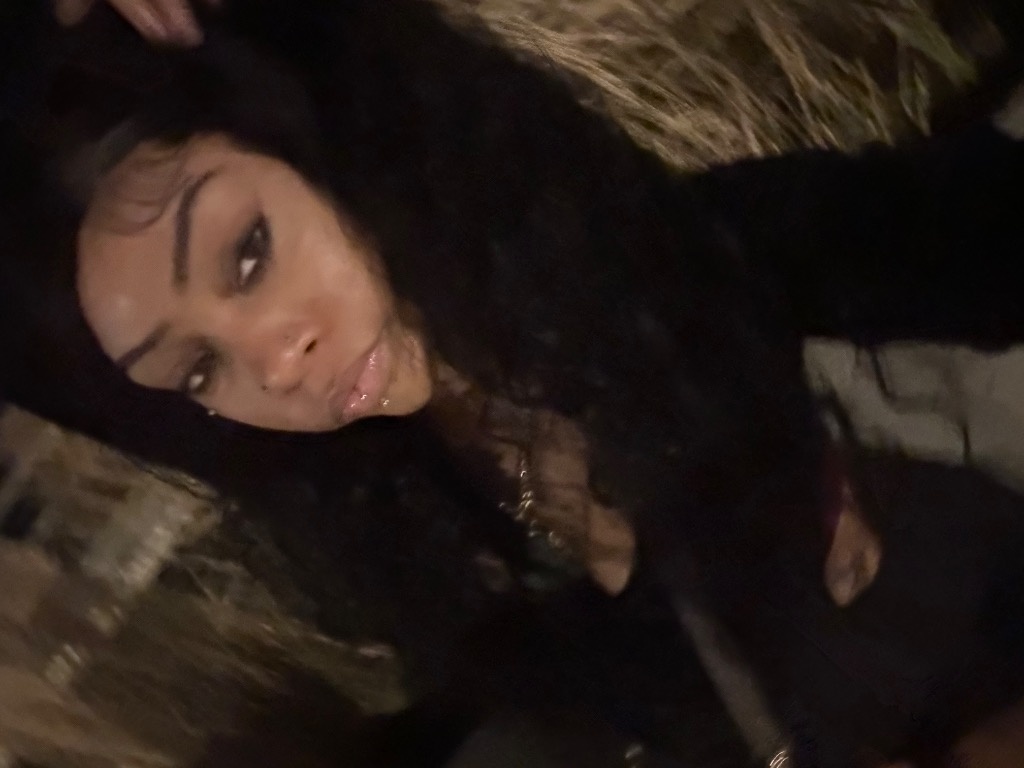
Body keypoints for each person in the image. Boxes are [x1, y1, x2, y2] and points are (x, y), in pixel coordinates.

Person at [4, 0, 1024, 764]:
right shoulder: (433, 534)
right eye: (197, 369)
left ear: (329, 144)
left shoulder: (691, 268)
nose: (274, 362)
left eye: (248, 252)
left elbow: (974, 228)